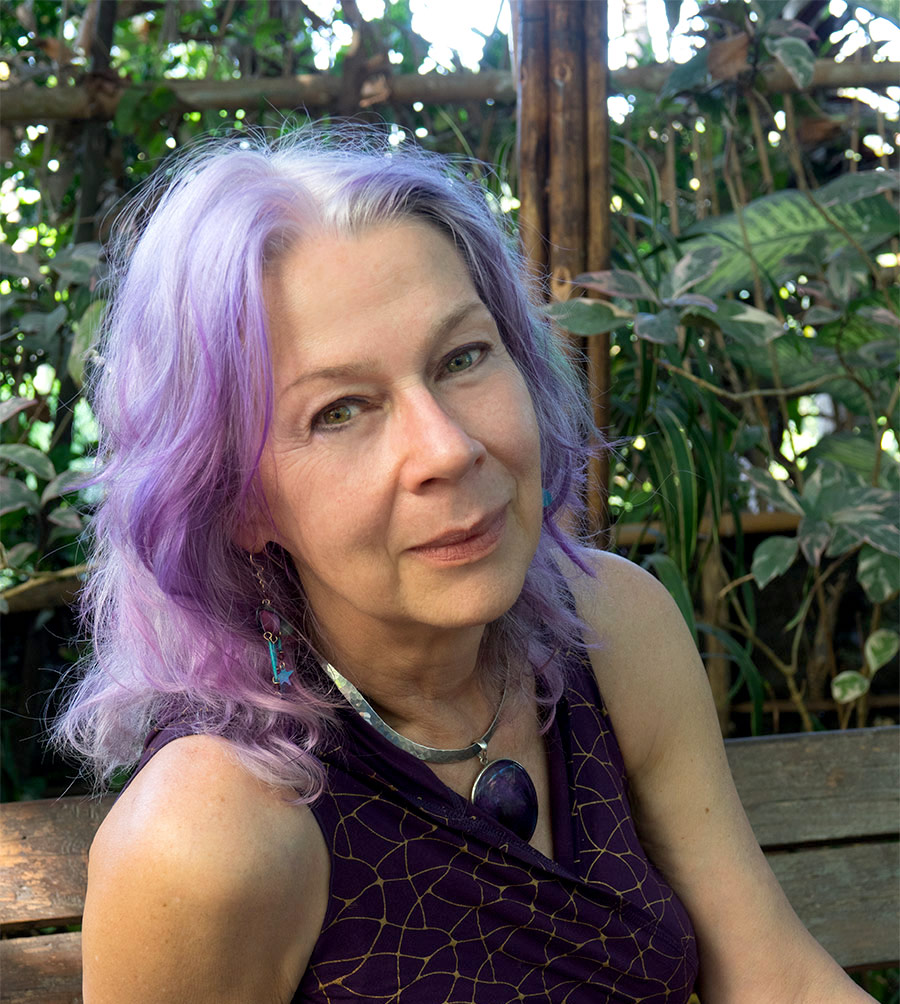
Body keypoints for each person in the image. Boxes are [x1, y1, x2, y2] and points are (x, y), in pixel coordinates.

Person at [54, 129, 870, 1003]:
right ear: (238, 501)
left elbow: (775, 977)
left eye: (463, 358)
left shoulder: (612, 629)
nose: (447, 447)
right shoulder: (211, 834)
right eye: (340, 411)